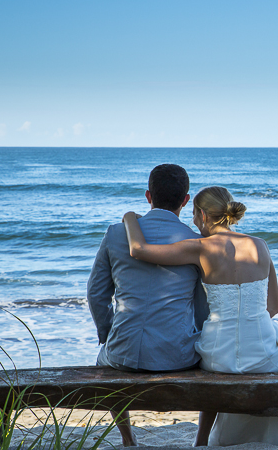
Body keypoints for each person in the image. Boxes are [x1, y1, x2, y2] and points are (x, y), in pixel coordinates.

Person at [121, 186, 278, 448]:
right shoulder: (260, 246)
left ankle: (202, 441)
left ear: (202, 214)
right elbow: (273, 307)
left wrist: (129, 218)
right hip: (262, 352)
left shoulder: (199, 248)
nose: (192, 220)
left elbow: (138, 250)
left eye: (193, 215)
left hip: (218, 355)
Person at [87, 164, 209, 447]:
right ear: (185, 200)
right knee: (215, 362)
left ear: (148, 195)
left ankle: (128, 440)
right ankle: (201, 441)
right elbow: (202, 306)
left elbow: (96, 294)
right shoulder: (197, 242)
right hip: (179, 356)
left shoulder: (117, 233)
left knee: (103, 359)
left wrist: (108, 336)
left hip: (122, 355)